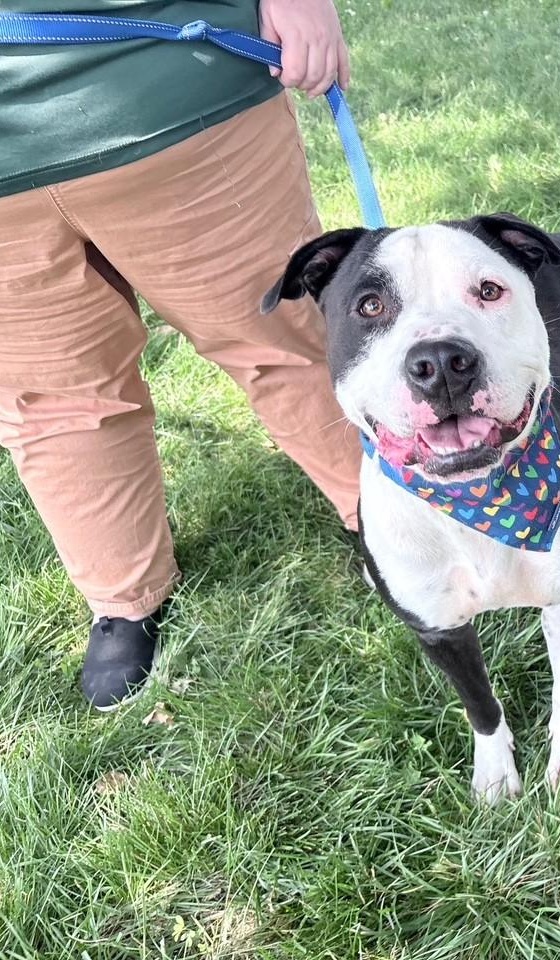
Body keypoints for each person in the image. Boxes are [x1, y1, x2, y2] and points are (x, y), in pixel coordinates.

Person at [0, 0, 362, 710]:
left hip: (179, 92)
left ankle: (389, 511)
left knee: (282, 339)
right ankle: (123, 594)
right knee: (50, 397)